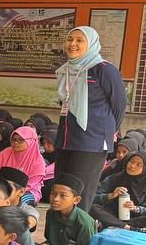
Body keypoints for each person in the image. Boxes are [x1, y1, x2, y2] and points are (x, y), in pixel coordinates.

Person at [54, 25, 127, 205]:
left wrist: (110, 130)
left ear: (92, 44)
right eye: (70, 39)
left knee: (80, 194)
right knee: (61, 191)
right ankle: (59, 225)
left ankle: (80, 224)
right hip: (66, 138)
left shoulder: (103, 69)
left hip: (91, 141)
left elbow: (119, 104)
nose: (73, 44)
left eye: (79, 40)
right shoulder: (66, 69)